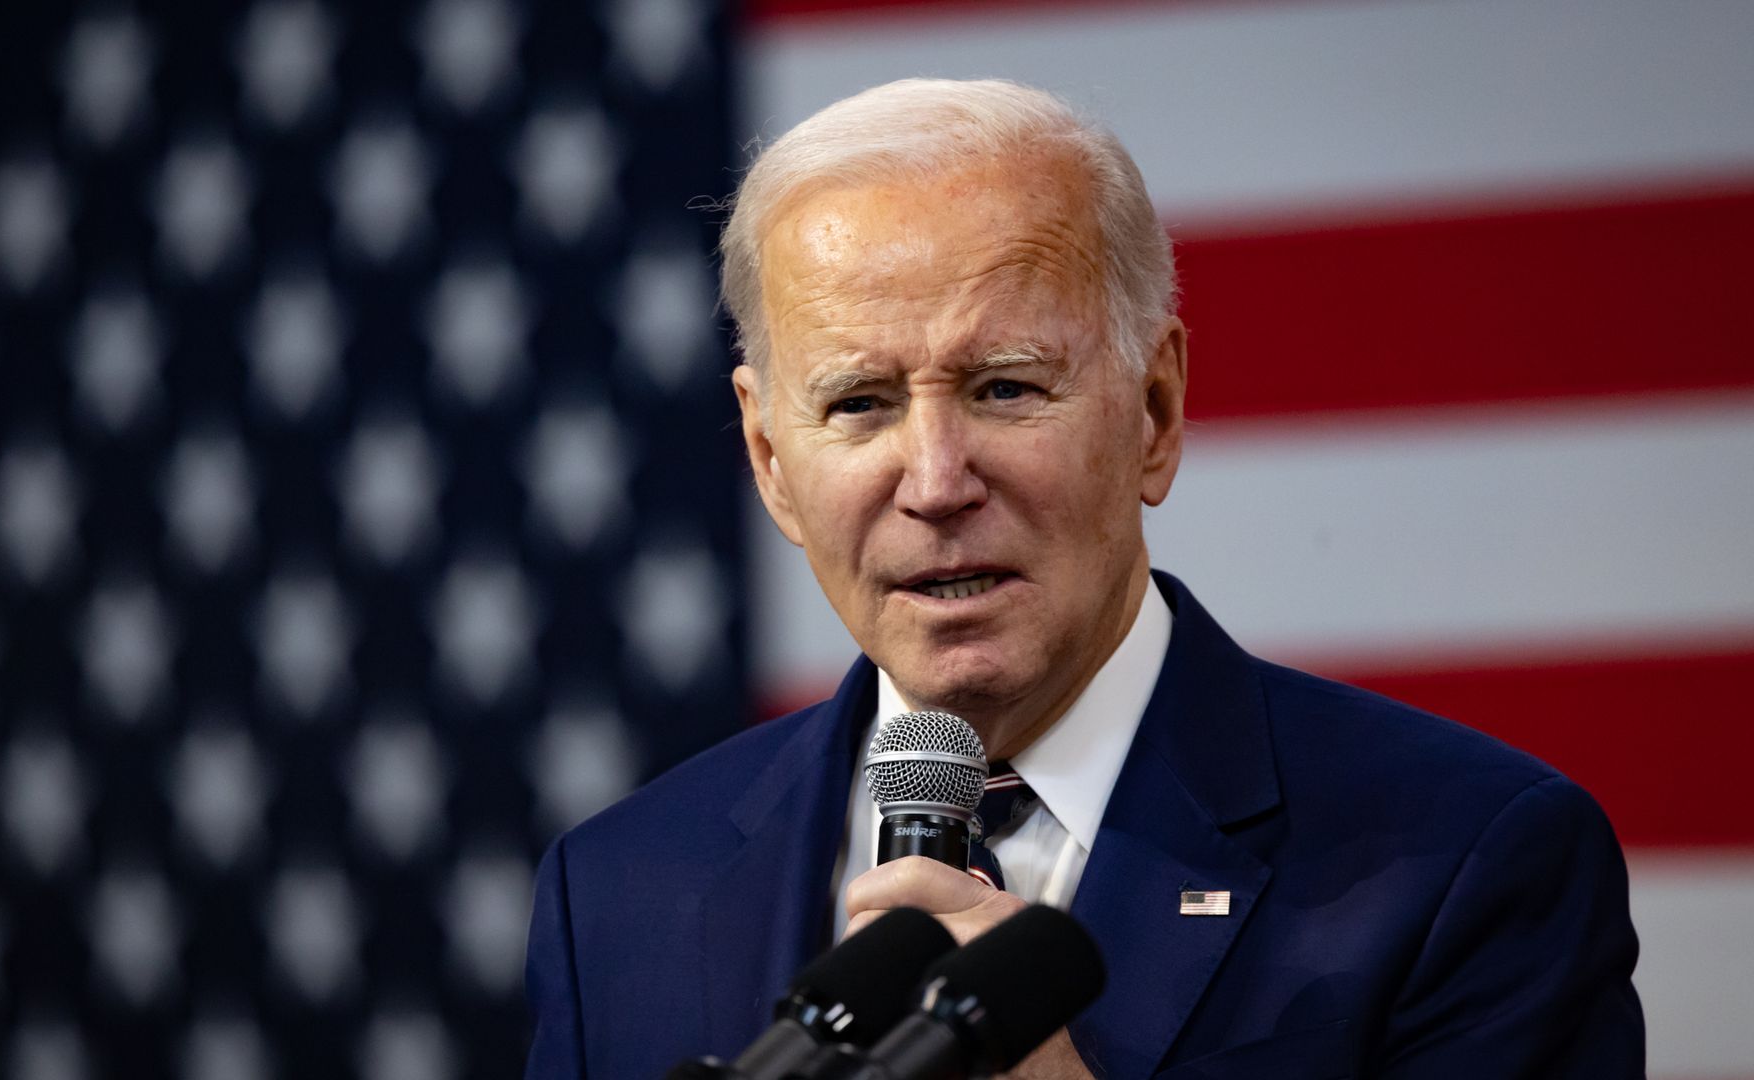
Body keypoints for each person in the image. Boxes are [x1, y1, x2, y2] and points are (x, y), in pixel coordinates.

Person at [525, 78, 1644, 1079]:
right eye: (860, 403)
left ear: (1155, 414)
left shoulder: (1469, 862)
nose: (935, 481)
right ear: (771, 462)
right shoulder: (618, 892)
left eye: (1006, 388)